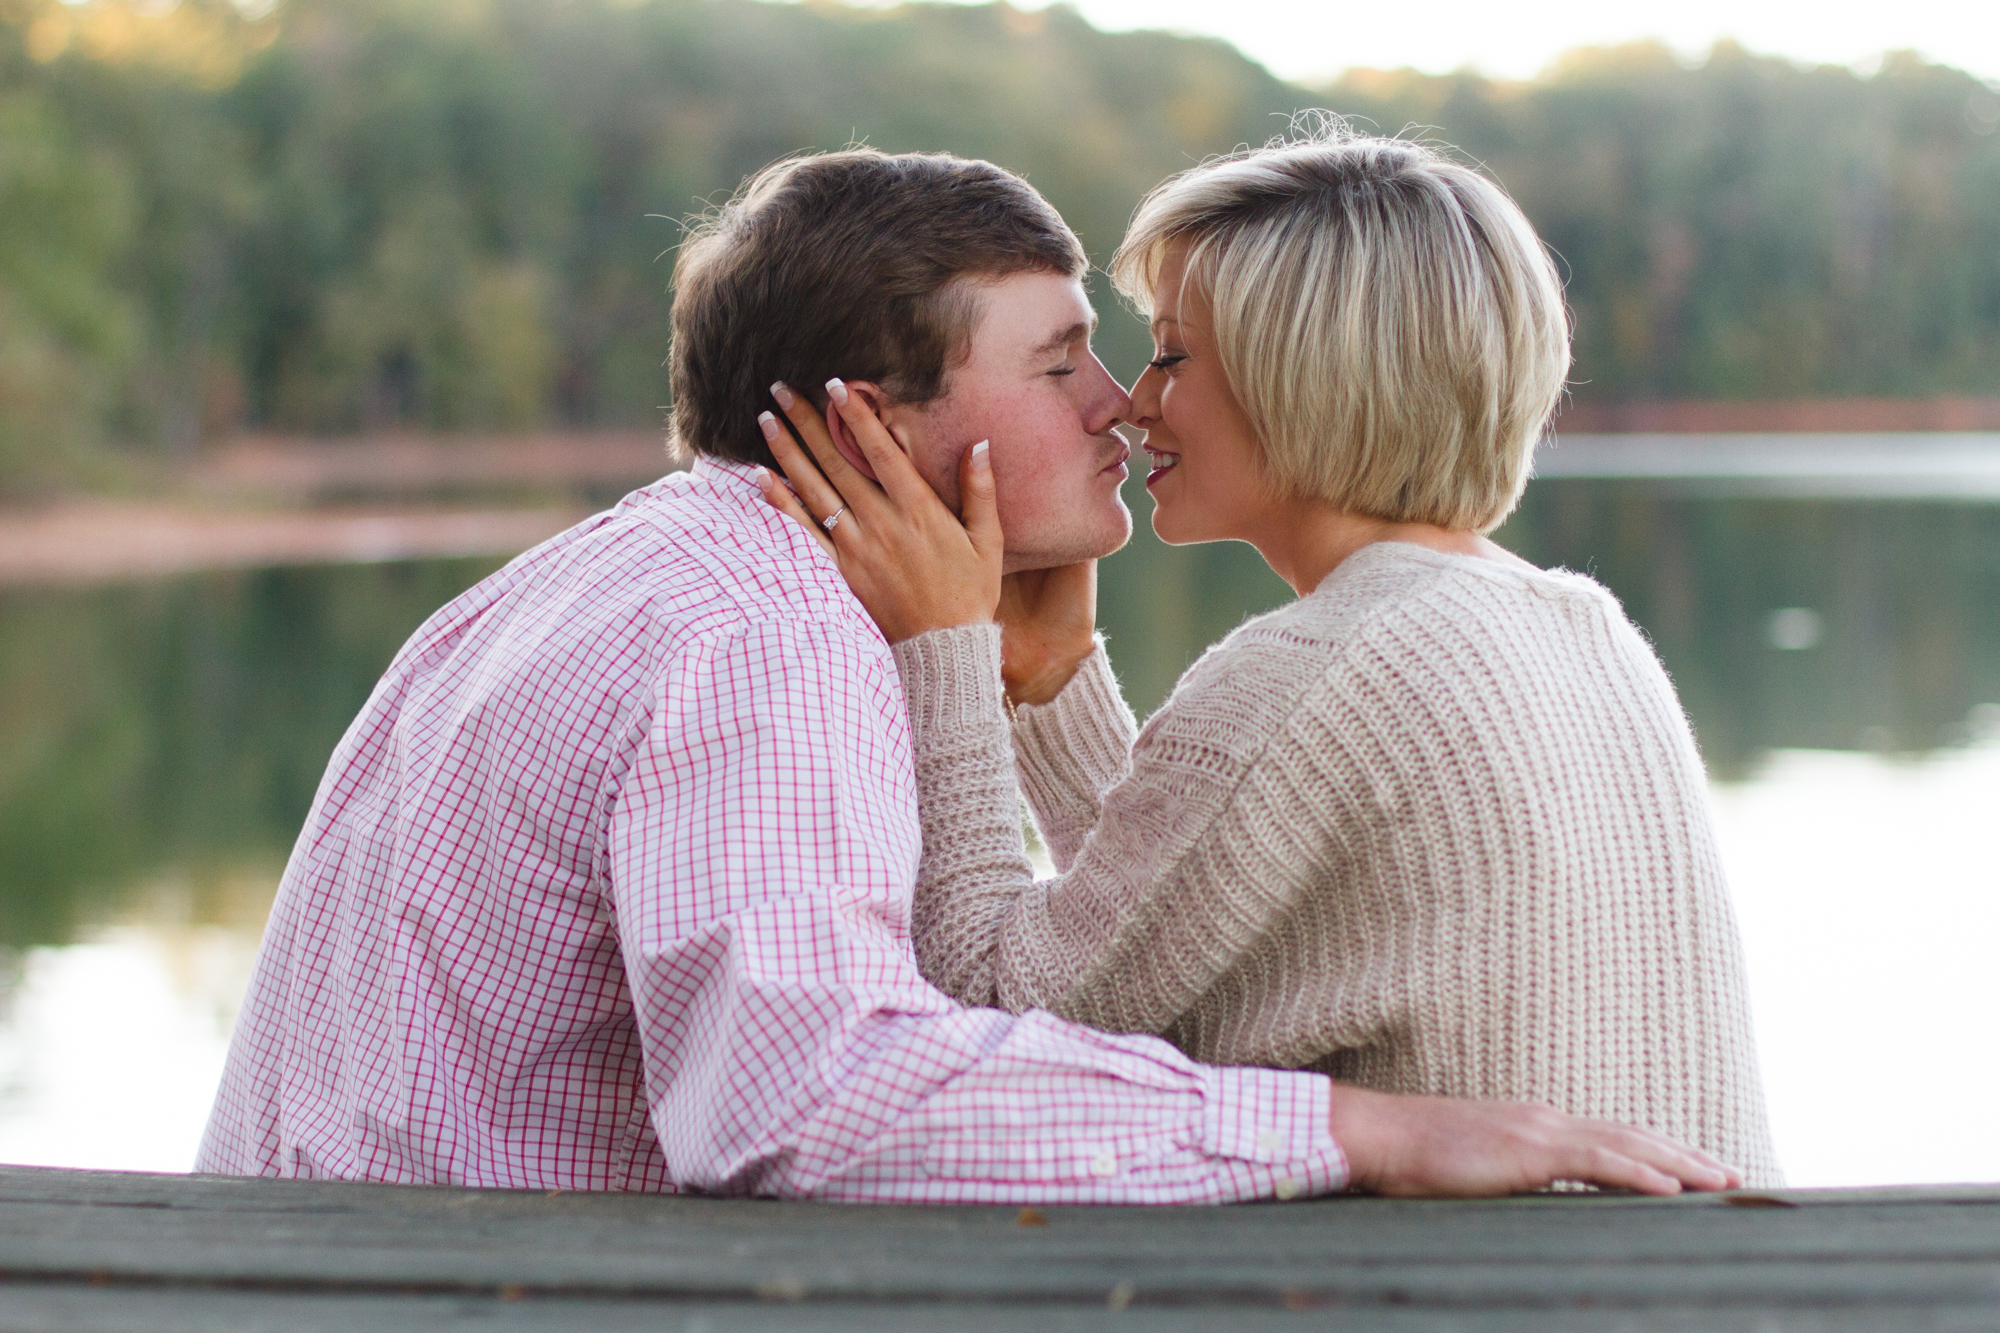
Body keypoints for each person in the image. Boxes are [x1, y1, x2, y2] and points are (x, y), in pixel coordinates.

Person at [198, 147, 1741, 1201]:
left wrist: (999, 670)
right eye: (1066, 360)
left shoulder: (607, 578)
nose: (1121, 409)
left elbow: (1098, 956)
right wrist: (1357, 1129)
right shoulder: (766, 639)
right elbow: (824, 1087)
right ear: (871, 420)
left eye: (1143, 356)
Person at [755, 131, 1782, 1187]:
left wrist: (945, 654)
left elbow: (990, 1007)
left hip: (1509, 1285)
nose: (1133, 401)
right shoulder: (1577, 624)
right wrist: (1052, 683)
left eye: (1170, 353)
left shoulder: (1325, 666)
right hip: (1688, 1271)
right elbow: (1170, 943)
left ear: (1304, 371)